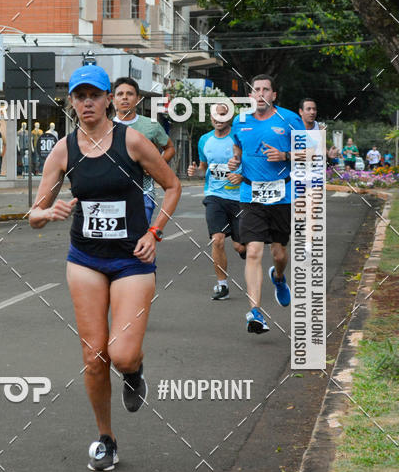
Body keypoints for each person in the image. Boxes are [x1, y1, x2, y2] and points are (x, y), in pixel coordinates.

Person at [29, 64, 181, 471]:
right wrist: (47, 212)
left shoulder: (131, 141)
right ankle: (106, 437)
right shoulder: (64, 150)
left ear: (109, 98)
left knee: (122, 354)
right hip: (85, 259)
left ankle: (134, 372)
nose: (87, 103)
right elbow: (34, 212)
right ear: (72, 103)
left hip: (132, 259)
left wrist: (155, 232)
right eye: (79, 97)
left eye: (94, 95)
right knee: (94, 355)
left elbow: (172, 186)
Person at [228, 74, 304, 334]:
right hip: (251, 195)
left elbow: (311, 152)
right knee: (253, 252)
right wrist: (235, 162)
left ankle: (279, 277)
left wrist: (285, 155)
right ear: (250, 95)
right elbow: (238, 150)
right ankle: (255, 312)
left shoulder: (290, 119)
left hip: (282, 196)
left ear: (273, 95)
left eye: (265, 89)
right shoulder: (240, 121)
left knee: (279, 254)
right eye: (256, 89)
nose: (260, 93)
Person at [187, 103, 246, 300]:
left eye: (223, 114)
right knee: (217, 239)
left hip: (239, 198)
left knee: (240, 247)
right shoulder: (204, 140)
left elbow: (252, 165)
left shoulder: (238, 138)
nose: (218, 118)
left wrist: (242, 177)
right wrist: (196, 172)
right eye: (215, 114)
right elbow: (204, 167)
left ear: (229, 117)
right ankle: (222, 285)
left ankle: (245, 249)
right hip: (214, 196)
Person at [112, 76, 175, 223]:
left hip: (143, 194)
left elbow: (170, 148)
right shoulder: (105, 127)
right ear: (112, 99)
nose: (125, 98)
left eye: (130, 94)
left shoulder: (151, 125)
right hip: (112, 195)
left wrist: (157, 164)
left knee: (138, 242)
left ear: (138, 98)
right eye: (120, 94)